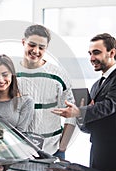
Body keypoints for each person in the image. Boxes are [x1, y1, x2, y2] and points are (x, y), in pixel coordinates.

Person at [52, 33, 116, 171]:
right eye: (90, 53)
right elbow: (88, 128)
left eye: (96, 52)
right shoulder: (96, 85)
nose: (92, 58)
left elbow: (108, 106)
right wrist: (78, 115)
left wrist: (79, 111)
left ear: (112, 52)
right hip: (97, 158)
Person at [14, 24, 76, 159]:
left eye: (41, 47)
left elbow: (72, 113)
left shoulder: (58, 75)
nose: (36, 50)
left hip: (52, 150)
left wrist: (63, 146)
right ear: (23, 42)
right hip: (19, 151)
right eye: (32, 45)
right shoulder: (11, 74)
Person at [0, 54, 34, 133]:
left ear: (12, 74)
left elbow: (20, 135)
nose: (1, 80)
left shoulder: (26, 102)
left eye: (5, 75)